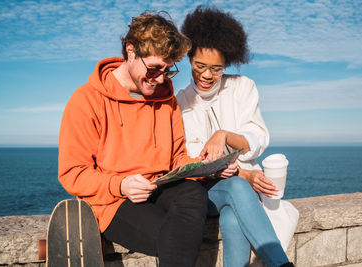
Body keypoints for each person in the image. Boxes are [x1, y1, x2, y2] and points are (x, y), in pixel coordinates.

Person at [57, 11, 224, 267]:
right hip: (113, 200)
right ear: (131, 51)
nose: (160, 79)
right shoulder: (87, 99)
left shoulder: (166, 100)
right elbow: (72, 173)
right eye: (155, 68)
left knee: (193, 193)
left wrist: (208, 166)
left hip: (159, 187)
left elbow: (177, 157)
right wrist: (120, 184)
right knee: (177, 239)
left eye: (168, 71)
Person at [176, 6, 298, 267]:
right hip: (205, 192)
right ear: (188, 58)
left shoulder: (243, 87)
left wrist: (224, 135)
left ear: (227, 63)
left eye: (216, 68)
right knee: (238, 186)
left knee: (232, 219)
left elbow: (257, 138)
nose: (207, 75)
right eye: (200, 65)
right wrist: (246, 176)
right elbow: (193, 161)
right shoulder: (181, 103)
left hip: (244, 195)